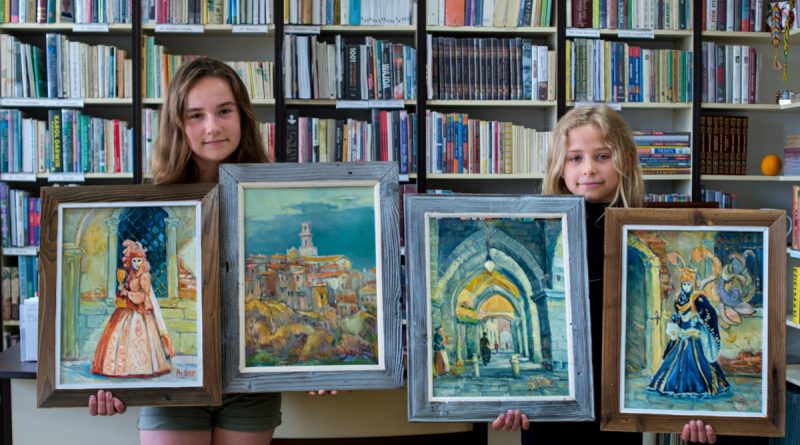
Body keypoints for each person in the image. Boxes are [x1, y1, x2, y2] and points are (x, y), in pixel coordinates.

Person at [490, 105, 719, 444]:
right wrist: (512, 400)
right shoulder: (548, 229)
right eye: (575, 158)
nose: (589, 169)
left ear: (625, 161)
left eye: (602, 156)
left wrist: (694, 416)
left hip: (618, 410)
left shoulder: (643, 234)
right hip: (555, 415)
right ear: (559, 167)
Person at [88, 57, 282, 445]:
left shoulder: (271, 200)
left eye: (224, 111)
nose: (212, 126)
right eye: (196, 115)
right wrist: (111, 382)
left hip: (251, 381)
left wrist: (322, 370)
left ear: (242, 117)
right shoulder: (150, 207)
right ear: (178, 124)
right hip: (173, 381)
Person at [92, 239, 174, 378]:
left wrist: (128, 294)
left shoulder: (144, 276)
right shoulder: (129, 275)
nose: (137, 263)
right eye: (134, 261)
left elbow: (144, 296)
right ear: (130, 261)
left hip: (141, 312)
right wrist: (123, 289)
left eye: (139, 260)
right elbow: (128, 290)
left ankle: (143, 368)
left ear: (143, 261)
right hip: (127, 309)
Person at [648, 268, 730, 397]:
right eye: (684, 284)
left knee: (699, 363)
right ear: (681, 285)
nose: (686, 287)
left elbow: (710, 316)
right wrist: (677, 323)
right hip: (682, 336)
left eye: (689, 284)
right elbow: (679, 319)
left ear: (693, 285)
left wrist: (698, 320)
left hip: (695, 337)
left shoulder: (699, 299)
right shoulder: (679, 300)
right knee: (675, 364)